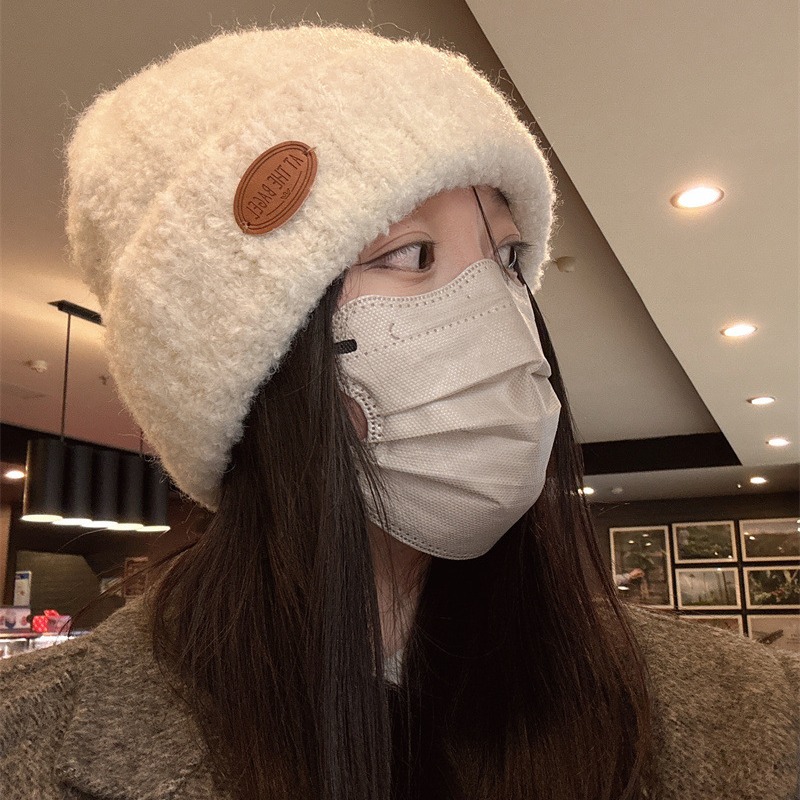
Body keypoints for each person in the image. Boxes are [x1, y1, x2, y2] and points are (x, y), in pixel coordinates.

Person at [0, 24, 797, 800]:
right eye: (410, 254)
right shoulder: (25, 741)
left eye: (508, 257)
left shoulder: (741, 709)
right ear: (244, 369)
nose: (500, 316)